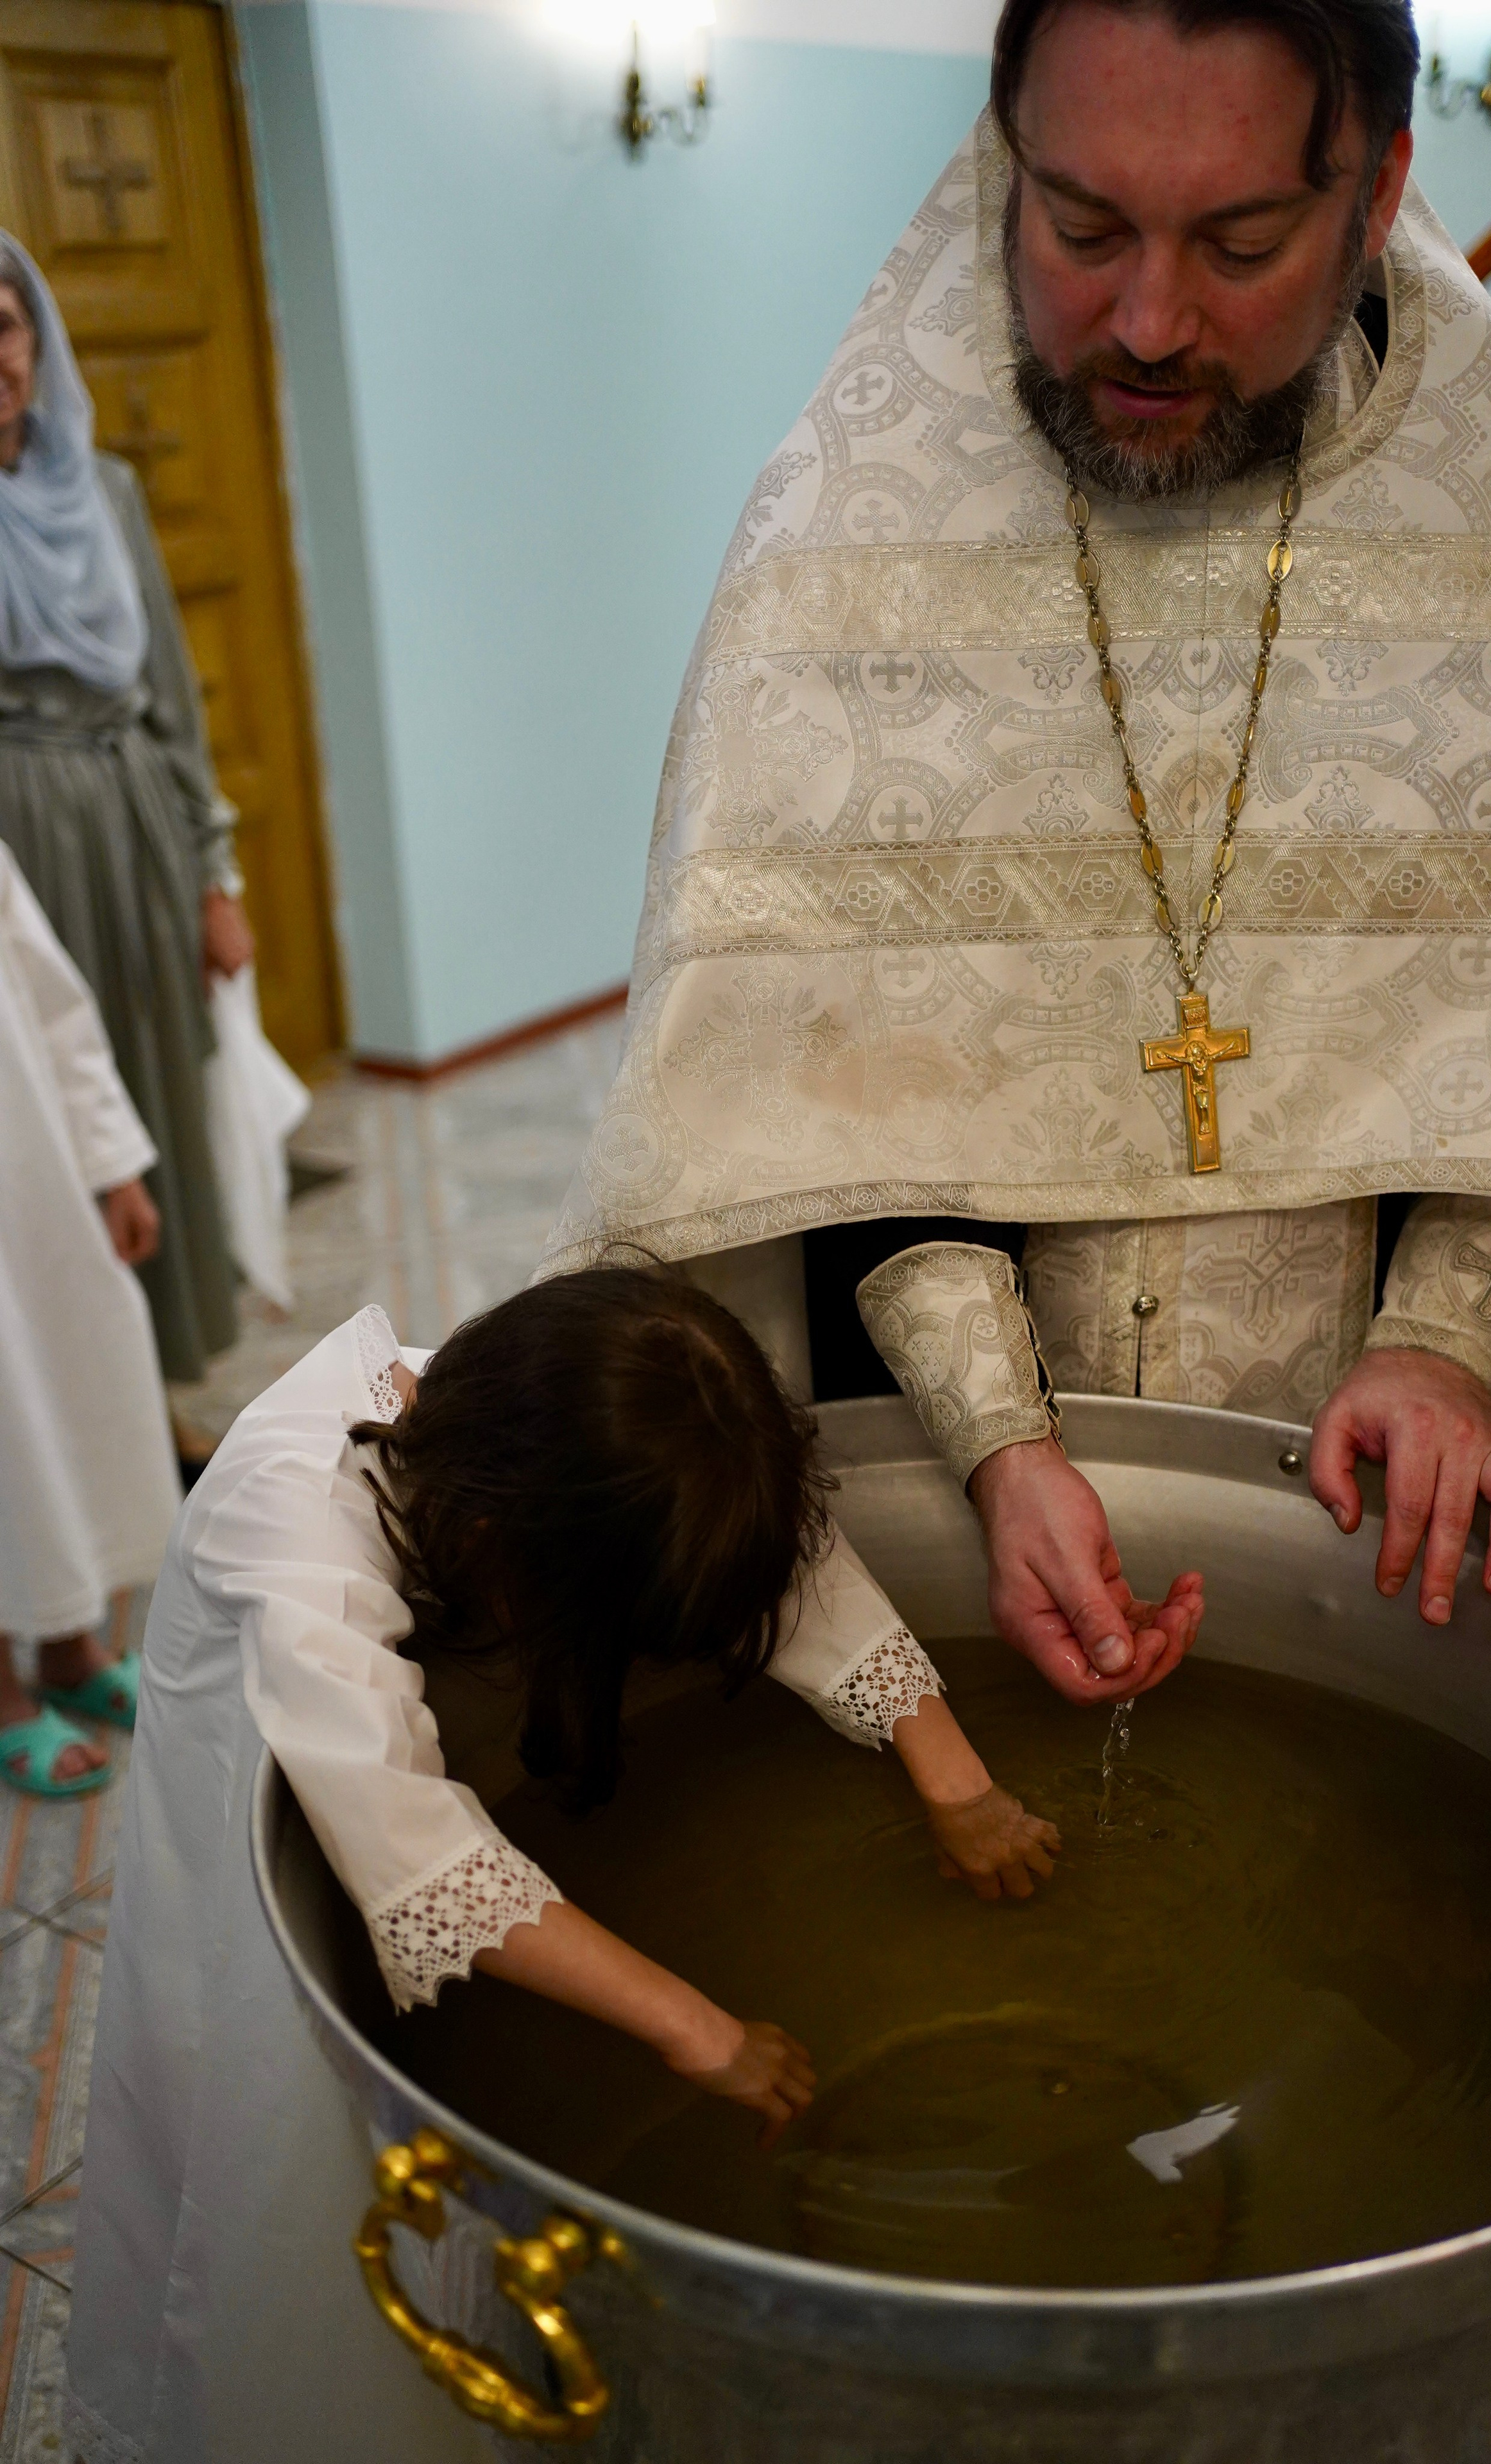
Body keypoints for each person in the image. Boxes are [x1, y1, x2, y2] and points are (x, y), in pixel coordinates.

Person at [543, 0, 1491, 1690]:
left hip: (1405, 1479)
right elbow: (820, 1074)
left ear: (1377, 192)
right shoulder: (847, 539)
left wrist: (1442, 1339)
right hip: (960, 1459)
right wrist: (994, 1433)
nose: (1145, 321)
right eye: (1081, 227)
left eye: (1243, 241)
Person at [67, 1267, 1090, 2464]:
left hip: (389, 1720)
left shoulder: (545, 1405)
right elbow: (417, 1848)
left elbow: (782, 1544)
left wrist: (953, 1777)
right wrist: (694, 2027)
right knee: (289, 2184)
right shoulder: (295, 1536)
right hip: (261, 1803)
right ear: (506, 1554)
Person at [0, 232, 251, 1392]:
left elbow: (171, 698)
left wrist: (213, 874)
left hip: (136, 827)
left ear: (39, 339)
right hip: (20, 850)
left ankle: (162, 1385)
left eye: (5, 327)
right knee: (53, 1129)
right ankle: (87, 1407)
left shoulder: (105, 489)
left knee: (151, 1094)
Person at [0, 839, 178, 1793]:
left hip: (26, 1179)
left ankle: (70, 1648)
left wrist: (113, 1162)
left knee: (54, 1403)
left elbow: (54, 1003)